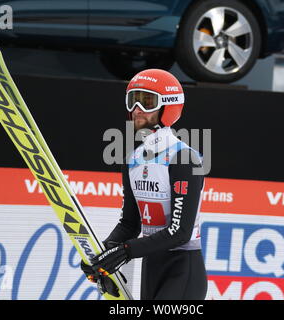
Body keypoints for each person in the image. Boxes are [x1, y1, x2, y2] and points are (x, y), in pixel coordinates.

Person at [80, 69, 207, 300]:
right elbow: (130, 223)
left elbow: (180, 232)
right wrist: (102, 254)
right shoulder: (132, 159)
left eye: (147, 101)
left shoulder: (184, 158)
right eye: (133, 100)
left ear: (168, 107)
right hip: (151, 268)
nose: (137, 109)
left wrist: (126, 252)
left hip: (182, 270)